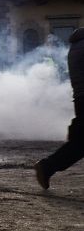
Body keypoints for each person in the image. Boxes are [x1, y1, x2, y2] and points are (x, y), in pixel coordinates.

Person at [35, 28, 84, 189]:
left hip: (80, 98)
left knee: (80, 143)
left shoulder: (75, 47)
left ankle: (48, 167)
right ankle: (47, 167)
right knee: (80, 144)